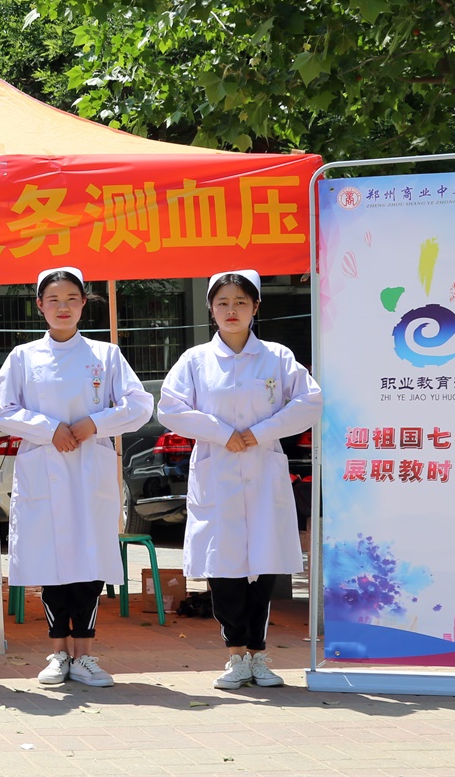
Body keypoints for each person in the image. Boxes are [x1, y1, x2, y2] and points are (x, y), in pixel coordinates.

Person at [0, 267, 153, 687]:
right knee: (50, 561)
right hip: (44, 468)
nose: (63, 307)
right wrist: (49, 429)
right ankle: (58, 652)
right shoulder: (23, 357)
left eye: (71, 299)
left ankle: (85, 655)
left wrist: (94, 423)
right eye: (54, 300)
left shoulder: (105, 355)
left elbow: (139, 405)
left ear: (84, 303)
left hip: (89, 469)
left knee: (90, 559)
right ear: (39, 306)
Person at [158, 269, 322, 689]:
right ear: (211, 309)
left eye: (241, 302)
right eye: (223, 303)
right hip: (218, 470)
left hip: (263, 468)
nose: (232, 310)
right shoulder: (195, 360)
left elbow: (310, 402)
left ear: (256, 307)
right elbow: (170, 408)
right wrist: (220, 432)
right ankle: (235, 655)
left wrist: (261, 432)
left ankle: (259, 654)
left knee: (265, 564)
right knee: (223, 565)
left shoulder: (277, 357)